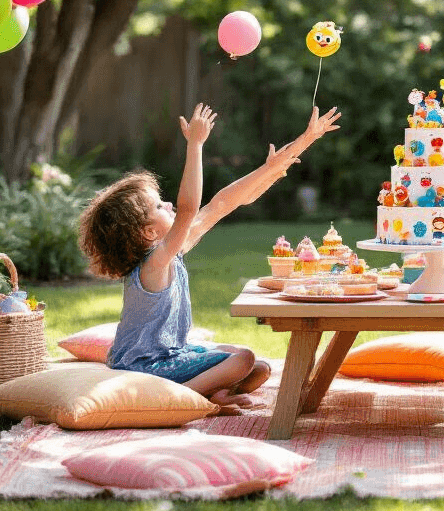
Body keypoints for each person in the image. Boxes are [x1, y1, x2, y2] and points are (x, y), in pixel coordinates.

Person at [79, 102, 341, 412]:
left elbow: (222, 203)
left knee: (257, 367)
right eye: (159, 206)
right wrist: (195, 145)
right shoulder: (154, 264)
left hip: (170, 356)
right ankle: (178, 401)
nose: (168, 204)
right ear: (148, 233)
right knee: (242, 360)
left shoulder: (169, 251)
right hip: (147, 368)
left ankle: (214, 393)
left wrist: (303, 141)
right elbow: (189, 208)